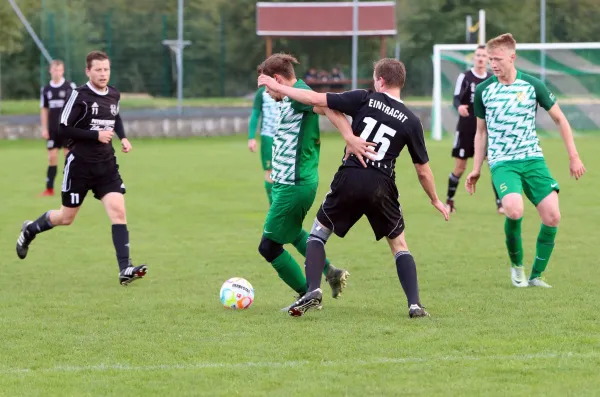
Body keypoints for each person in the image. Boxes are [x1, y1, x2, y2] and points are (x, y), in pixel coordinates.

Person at [258, 58, 449, 318]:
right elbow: (423, 170)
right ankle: (414, 304)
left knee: (318, 234)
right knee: (399, 245)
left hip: (350, 175)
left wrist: (349, 137)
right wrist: (436, 199)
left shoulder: (365, 99)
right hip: (382, 184)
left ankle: (313, 289)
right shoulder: (412, 120)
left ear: (380, 81)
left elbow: (319, 100)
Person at [16, 51, 148, 286]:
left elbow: (115, 117)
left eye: (106, 69)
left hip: (106, 166)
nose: (103, 74)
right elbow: (63, 128)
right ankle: (30, 230)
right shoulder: (78, 95)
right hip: (79, 167)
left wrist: (123, 137)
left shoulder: (114, 94)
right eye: (98, 70)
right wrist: (95, 135)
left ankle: (125, 268)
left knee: (118, 210)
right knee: (66, 217)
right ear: (88, 71)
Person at [465, 33, 586, 288]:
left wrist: (573, 156)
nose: (493, 65)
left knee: (552, 216)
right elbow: (480, 132)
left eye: (497, 59)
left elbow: (560, 120)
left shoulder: (532, 85)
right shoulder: (484, 91)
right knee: (514, 209)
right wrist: (476, 168)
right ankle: (517, 267)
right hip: (503, 162)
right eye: (489, 60)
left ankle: (536, 276)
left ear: (512, 57)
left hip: (533, 159)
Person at [255, 53, 352, 304]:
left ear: (277, 79)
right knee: (292, 231)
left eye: (267, 86)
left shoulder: (300, 96)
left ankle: (307, 294)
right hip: (287, 183)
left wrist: (349, 138)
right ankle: (330, 272)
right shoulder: (292, 96)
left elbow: (328, 107)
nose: (266, 93)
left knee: (268, 247)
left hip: (294, 185)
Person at [446, 46, 503, 214]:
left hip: (486, 130)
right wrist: (459, 107)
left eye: (483, 56)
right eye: (478, 55)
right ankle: (449, 201)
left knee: (494, 165)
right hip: (466, 128)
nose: (480, 58)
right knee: (460, 167)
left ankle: (500, 203)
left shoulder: (493, 79)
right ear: (474, 58)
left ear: (488, 59)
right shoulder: (465, 77)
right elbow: (456, 98)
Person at [39, 60, 77, 197]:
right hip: (52, 130)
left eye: (59, 70)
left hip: (67, 129)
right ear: (50, 71)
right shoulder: (46, 89)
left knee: (69, 158)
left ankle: (72, 186)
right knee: (52, 157)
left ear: (63, 71)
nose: (57, 72)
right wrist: (44, 128)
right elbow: (44, 109)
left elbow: (76, 107)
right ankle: (49, 189)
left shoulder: (70, 86)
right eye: (54, 70)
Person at [248, 85, 279, 205]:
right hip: (268, 136)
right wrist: (251, 137)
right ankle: (273, 206)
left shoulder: (286, 89)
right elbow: (255, 114)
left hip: (287, 136)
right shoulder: (261, 93)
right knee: (270, 170)